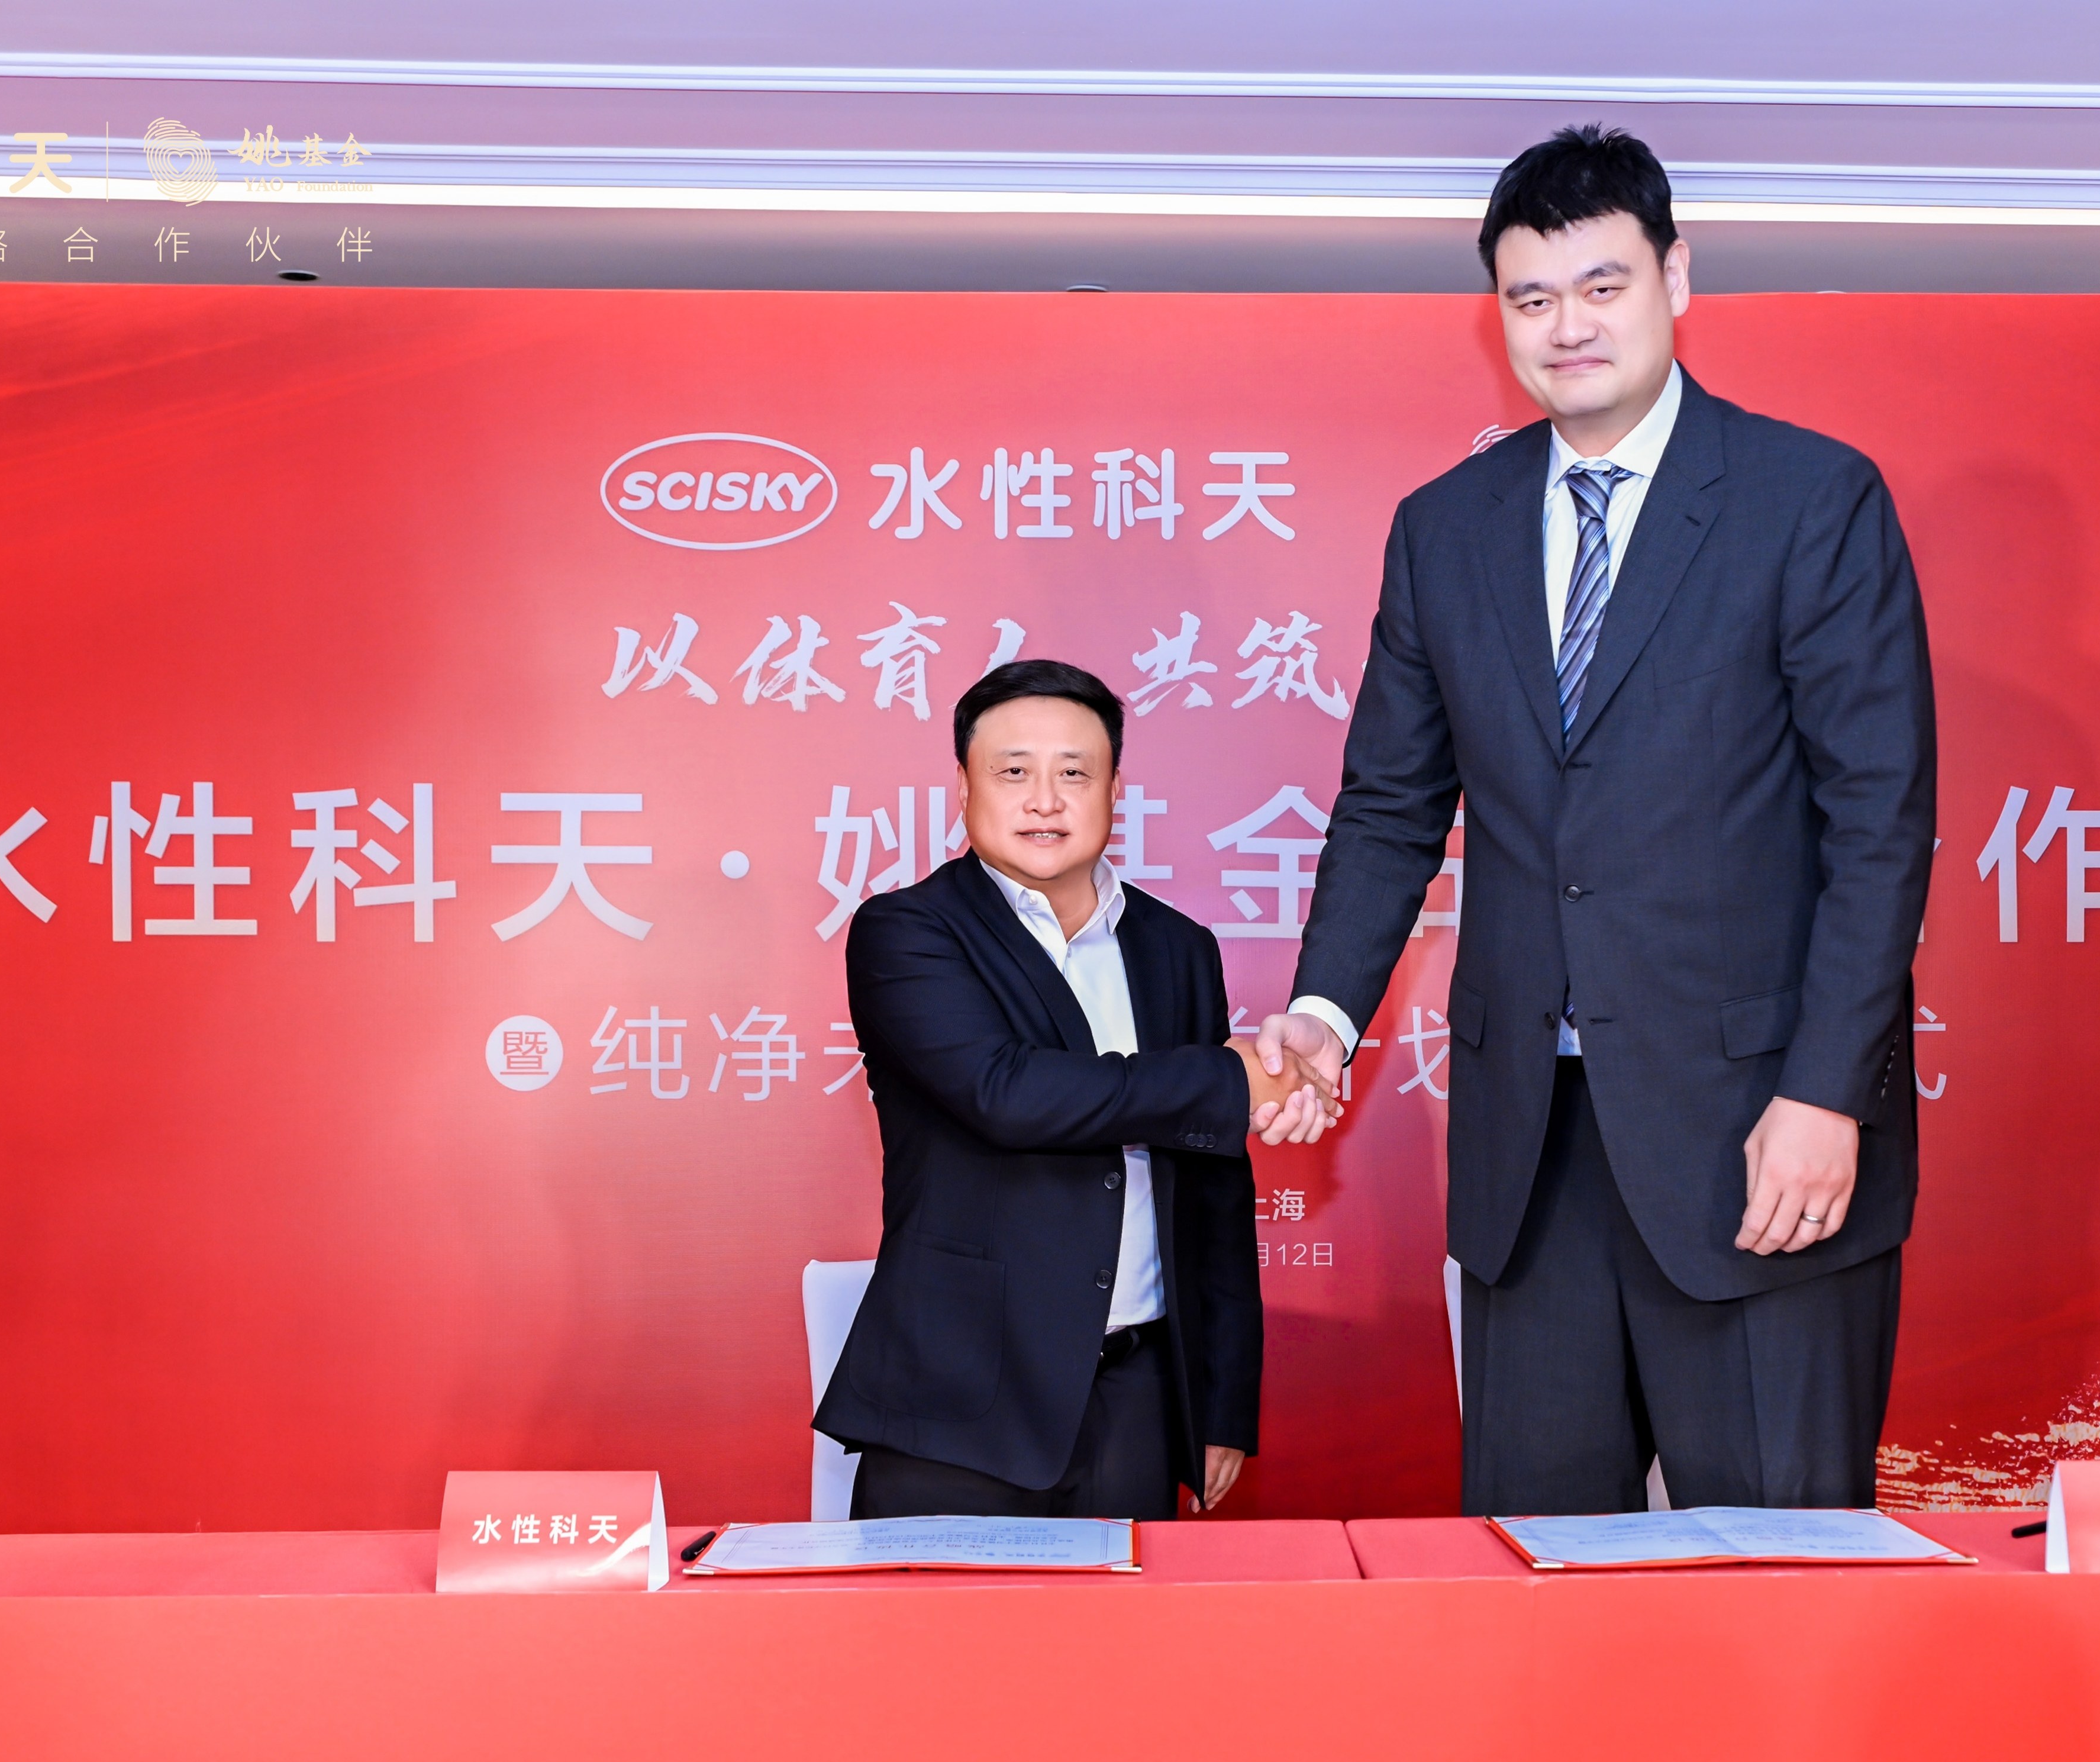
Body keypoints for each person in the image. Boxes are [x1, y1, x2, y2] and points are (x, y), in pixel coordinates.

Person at [1253, 125, 1937, 1515]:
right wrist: (1322, 1017)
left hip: (1759, 1138)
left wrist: (1822, 1093)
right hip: (1531, 1153)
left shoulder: (1808, 500)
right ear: (1496, 315)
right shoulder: (1445, 529)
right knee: (1533, 1570)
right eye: (1530, 298)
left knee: (1779, 1568)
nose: (1567, 327)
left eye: (1601, 286)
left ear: (1674, 278)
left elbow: (1877, 822)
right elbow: (1388, 806)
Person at [816, 659, 1337, 1521]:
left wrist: (1219, 1402)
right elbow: (1007, 1093)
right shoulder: (907, 931)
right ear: (964, 787)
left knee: (1132, 1615)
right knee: (934, 1616)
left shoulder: (1177, 947)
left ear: (1115, 790)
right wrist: (1233, 1077)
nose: (1044, 801)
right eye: (1013, 772)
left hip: (1137, 1395)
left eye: (1074, 774)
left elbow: (1209, 1185)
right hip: (958, 1400)